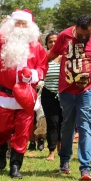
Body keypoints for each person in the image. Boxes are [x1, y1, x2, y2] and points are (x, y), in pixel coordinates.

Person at [0, 0, 48, 179]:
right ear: (11, 25)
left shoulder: (37, 48)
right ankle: (2, 146)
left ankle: (16, 165)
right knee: (0, 129)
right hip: (5, 95)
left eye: (23, 23)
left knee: (23, 132)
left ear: (30, 27)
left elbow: (42, 68)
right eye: (17, 22)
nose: (20, 26)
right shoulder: (2, 42)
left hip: (26, 97)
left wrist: (33, 74)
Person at [47, 15, 91, 181]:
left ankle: (85, 167)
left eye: (87, 35)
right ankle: (64, 160)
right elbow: (51, 55)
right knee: (67, 126)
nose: (83, 37)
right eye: (80, 34)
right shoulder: (64, 36)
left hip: (89, 90)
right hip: (67, 89)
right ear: (75, 27)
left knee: (85, 125)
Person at [41, 31, 63, 161]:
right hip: (48, 93)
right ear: (47, 44)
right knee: (52, 122)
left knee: (63, 122)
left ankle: (62, 148)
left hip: (65, 94)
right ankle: (52, 151)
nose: (53, 43)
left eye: (56, 41)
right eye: (50, 41)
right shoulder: (44, 57)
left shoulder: (66, 56)